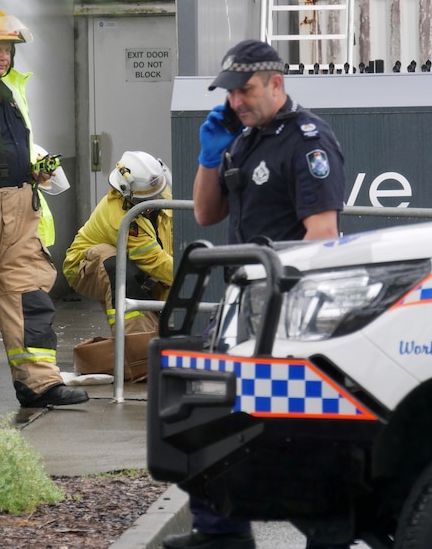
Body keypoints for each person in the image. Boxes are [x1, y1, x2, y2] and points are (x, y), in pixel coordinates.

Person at [162, 39, 347, 549]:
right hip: (240, 305)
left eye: (245, 90)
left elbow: (322, 234)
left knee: (288, 435)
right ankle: (222, 532)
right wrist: (208, 156)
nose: (237, 101)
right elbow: (206, 214)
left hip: (284, 308)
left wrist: (276, 308)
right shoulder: (243, 139)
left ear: (276, 84)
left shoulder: (307, 141)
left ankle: (327, 533)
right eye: (230, 93)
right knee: (204, 414)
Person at [0, 8, 88, 409]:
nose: (3, 56)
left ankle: (40, 385)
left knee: (30, 298)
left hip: (22, 207)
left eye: (8, 49)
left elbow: (10, 147)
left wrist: (35, 171)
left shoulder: (14, 92)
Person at [63, 150, 173, 341]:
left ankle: (152, 332)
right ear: (126, 192)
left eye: (155, 197)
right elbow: (154, 261)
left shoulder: (158, 192)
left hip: (136, 265)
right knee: (116, 267)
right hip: (83, 268)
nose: (149, 206)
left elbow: (165, 251)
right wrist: (191, 276)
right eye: (141, 201)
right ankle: (133, 342)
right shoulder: (120, 218)